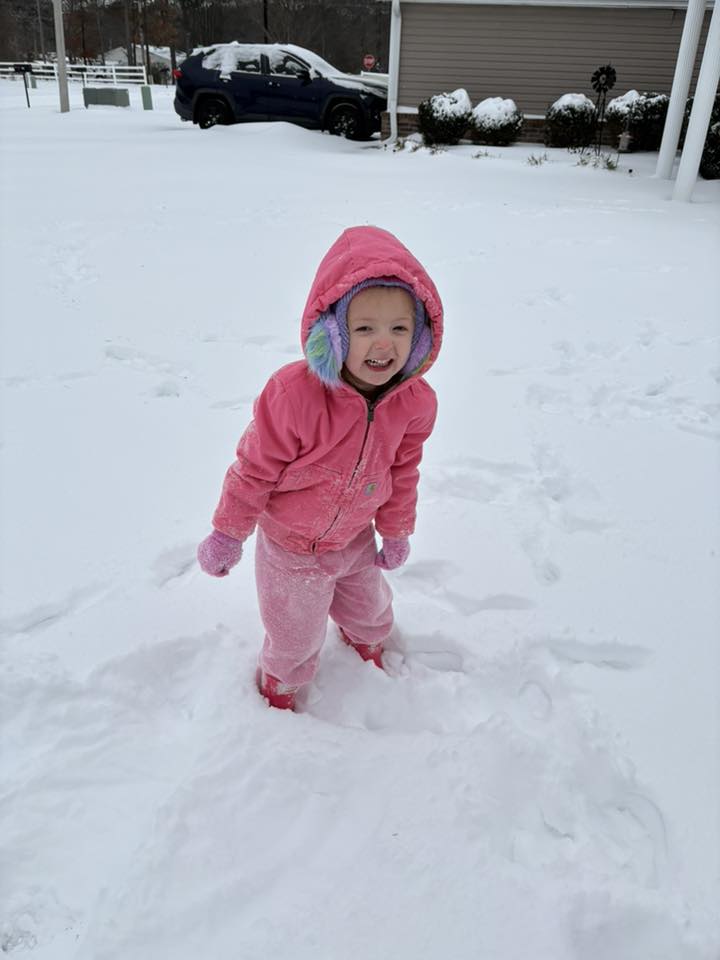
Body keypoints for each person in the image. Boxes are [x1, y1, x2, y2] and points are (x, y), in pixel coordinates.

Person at [197, 225, 443, 710]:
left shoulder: (415, 403)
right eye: (364, 327)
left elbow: (404, 473)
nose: (383, 343)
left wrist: (394, 533)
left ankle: (366, 648)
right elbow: (253, 470)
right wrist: (228, 533)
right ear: (333, 332)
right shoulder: (294, 395)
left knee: (372, 611)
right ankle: (280, 693)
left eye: (399, 328)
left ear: (418, 339)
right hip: (292, 549)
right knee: (294, 638)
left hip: (355, 539)